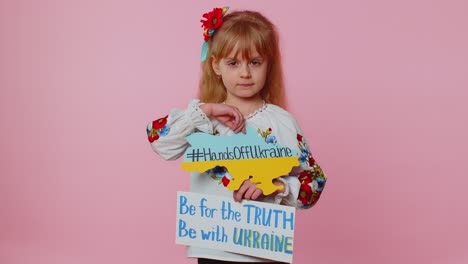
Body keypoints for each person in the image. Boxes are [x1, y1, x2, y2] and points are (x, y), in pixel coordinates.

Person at [147, 7, 327, 264]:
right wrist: (205, 110)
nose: (245, 73)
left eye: (254, 62)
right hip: (213, 248)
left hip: (262, 251)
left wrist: (278, 186)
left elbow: (315, 180)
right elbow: (158, 140)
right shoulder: (203, 118)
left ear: (268, 65)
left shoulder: (281, 122)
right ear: (216, 65)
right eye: (233, 63)